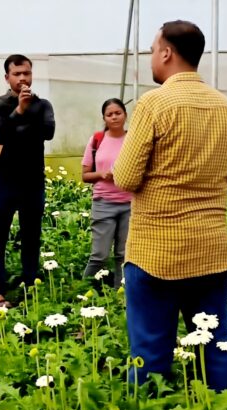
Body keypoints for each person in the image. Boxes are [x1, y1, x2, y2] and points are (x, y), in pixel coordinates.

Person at [112, 20, 227, 391]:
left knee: (150, 353)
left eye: (154, 50)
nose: (153, 57)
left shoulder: (154, 103)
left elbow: (125, 178)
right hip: (211, 251)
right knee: (216, 348)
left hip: (157, 252)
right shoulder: (224, 106)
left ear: (167, 53)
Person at [0, 54, 55, 306]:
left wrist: (19, 122)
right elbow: (0, 135)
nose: (23, 78)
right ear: (7, 77)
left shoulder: (44, 105)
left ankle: (29, 286)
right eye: (17, 74)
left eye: (26, 73)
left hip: (32, 181)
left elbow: (48, 131)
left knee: (31, 236)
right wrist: (19, 111)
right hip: (3, 181)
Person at [81, 98, 132, 288]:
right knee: (99, 255)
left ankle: (121, 296)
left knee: (124, 255)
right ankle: (84, 293)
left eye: (118, 113)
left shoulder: (133, 139)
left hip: (130, 204)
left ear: (125, 115)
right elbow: (85, 175)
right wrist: (102, 174)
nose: (114, 117)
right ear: (104, 118)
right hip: (104, 203)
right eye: (109, 114)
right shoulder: (97, 140)